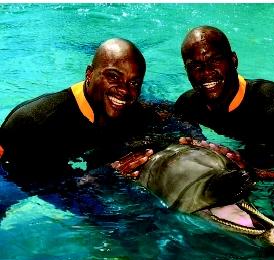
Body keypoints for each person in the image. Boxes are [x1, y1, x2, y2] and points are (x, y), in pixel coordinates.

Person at [0, 38, 202, 177]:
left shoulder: (132, 110)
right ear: (89, 74)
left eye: (134, 83)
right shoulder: (34, 122)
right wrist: (104, 176)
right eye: (113, 76)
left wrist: (198, 143)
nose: (124, 90)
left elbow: (175, 118)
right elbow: (22, 183)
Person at [175, 25, 274, 170]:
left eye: (215, 60)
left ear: (234, 60)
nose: (206, 72)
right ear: (186, 70)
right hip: (255, 144)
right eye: (195, 66)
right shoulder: (187, 106)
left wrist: (256, 171)